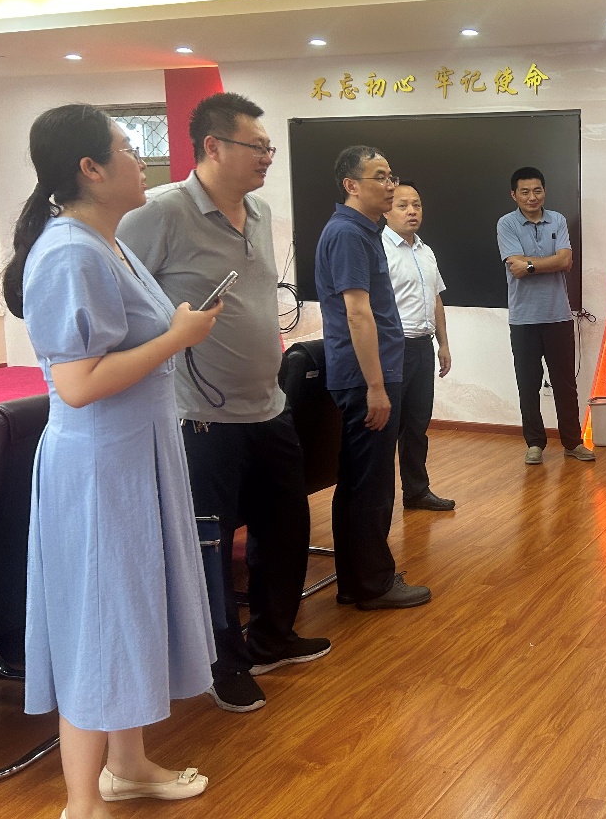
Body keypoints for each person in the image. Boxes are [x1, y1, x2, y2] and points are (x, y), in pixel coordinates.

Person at [2, 104, 218, 817]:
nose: (142, 160)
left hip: (133, 456)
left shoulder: (105, 243)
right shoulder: (69, 253)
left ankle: (126, 766)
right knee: (98, 621)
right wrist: (178, 336)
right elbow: (77, 383)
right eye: (128, 148)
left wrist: (175, 329)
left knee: (129, 610)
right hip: (99, 467)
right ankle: (82, 802)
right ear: (90, 169)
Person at [118, 92, 329, 715]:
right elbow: (122, 304)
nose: (267, 156)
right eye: (255, 146)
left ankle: (272, 638)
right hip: (201, 417)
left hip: (268, 405)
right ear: (212, 146)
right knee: (208, 548)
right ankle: (221, 662)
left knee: (285, 529)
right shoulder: (160, 214)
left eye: (269, 147)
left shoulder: (259, 212)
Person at [315, 146, 432, 610]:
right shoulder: (348, 233)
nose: (390, 185)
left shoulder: (361, 231)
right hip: (368, 378)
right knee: (371, 485)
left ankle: (356, 580)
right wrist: (377, 387)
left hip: (371, 374)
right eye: (380, 177)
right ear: (351, 185)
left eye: (391, 176)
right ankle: (372, 584)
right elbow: (358, 313)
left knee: (360, 481)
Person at [495, 166, 595, 465]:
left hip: (558, 316)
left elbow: (566, 261)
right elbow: (515, 267)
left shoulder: (558, 220)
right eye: (524, 191)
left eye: (537, 190)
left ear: (544, 191)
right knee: (528, 385)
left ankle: (572, 443)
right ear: (514, 195)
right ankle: (535, 443)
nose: (532, 197)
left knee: (565, 384)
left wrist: (530, 264)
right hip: (523, 319)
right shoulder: (506, 223)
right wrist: (545, 262)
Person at [382, 180, 455, 511]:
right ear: (386, 210)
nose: (412, 211)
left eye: (417, 205)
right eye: (403, 205)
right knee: (387, 429)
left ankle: (416, 491)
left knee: (417, 424)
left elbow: (435, 299)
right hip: (392, 349)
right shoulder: (379, 249)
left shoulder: (426, 251)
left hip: (423, 347)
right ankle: (379, 498)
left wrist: (443, 344)